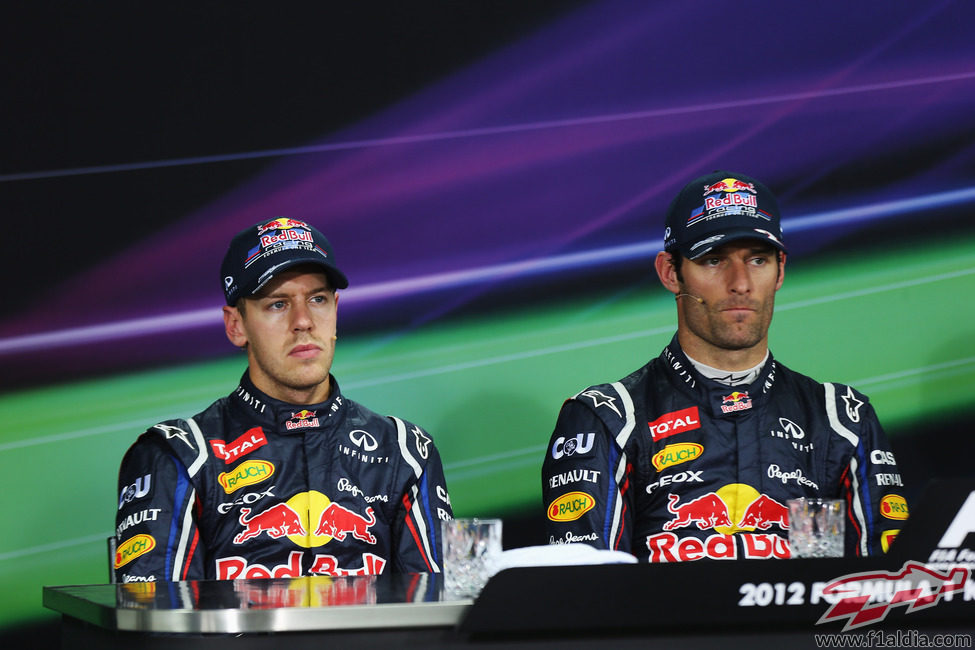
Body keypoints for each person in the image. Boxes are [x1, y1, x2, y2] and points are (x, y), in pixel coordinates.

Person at [541, 171, 907, 561]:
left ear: (780, 270)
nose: (741, 283)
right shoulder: (608, 418)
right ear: (670, 272)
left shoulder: (843, 418)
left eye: (758, 260)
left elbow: (884, 592)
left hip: (802, 625)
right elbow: (585, 597)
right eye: (713, 260)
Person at [115, 218, 453, 582]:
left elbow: (440, 606)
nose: (304, 321)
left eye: (318, 299)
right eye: (277, 304)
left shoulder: (405, 451)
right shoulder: (179, 457)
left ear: (336, 311)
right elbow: (155, 624)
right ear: (236, 326)